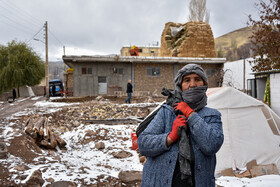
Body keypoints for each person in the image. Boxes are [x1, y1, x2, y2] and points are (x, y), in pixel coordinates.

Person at [137, 64, 224, 187]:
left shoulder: (212, 115)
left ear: (204, 84)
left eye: (197, 79)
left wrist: (190, 114)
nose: (192, 84)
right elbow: (143, 144)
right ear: (180, 86)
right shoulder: (166, 112)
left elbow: (211, 145)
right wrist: (170, 137)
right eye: (187, 80)